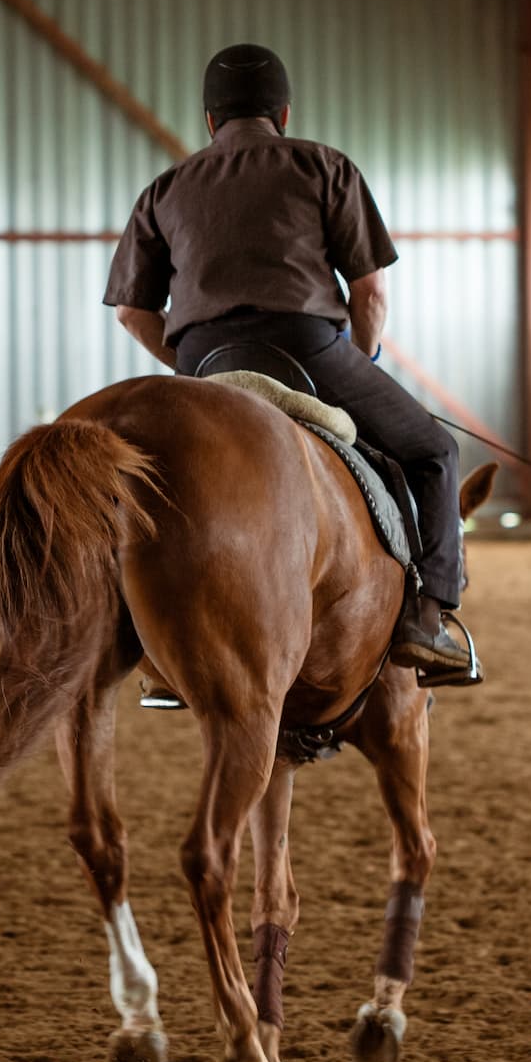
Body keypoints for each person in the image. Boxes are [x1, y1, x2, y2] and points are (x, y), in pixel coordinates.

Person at [103, 43, 472, 675]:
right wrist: (363, 360)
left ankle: (147, 644)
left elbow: (132, 313)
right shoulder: (324, 167)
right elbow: (371, 290)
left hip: (204, 358)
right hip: (306, 347)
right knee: (434, 452)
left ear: (210, 121)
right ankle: (429, 618)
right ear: (284, 112)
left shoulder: (165, 188)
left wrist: (194, 371)